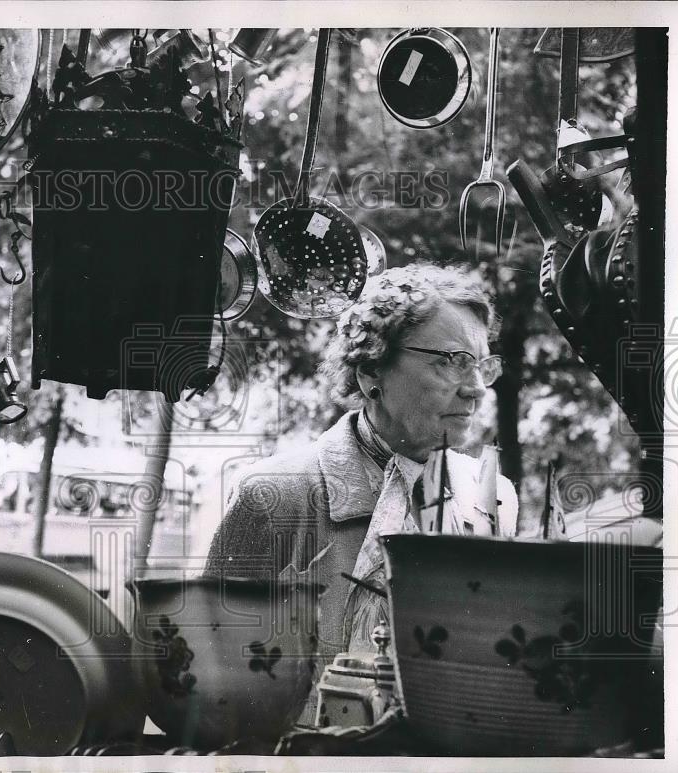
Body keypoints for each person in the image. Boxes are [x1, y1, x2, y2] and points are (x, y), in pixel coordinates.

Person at [204, 263, 518, 724]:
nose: (475, 390)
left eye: (481, 365)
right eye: (451, 361)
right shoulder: (274, 496)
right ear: (373, 370)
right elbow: (212, 686)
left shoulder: (493, 498)